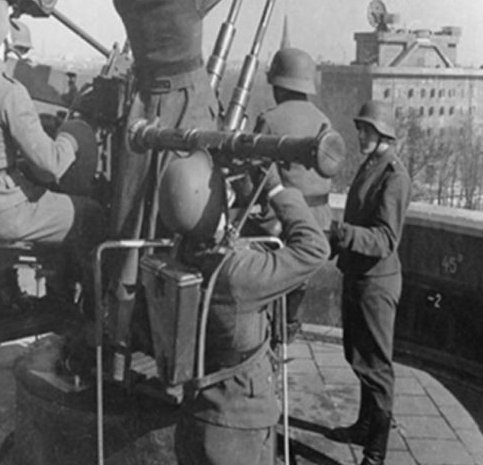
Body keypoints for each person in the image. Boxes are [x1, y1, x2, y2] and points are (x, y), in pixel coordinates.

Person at [108, 0, 255, 365]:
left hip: (142, 112)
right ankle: (193, 337)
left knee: (133, 225)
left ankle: (122, 339)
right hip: (189, 109)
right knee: (192, 220)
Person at [156, 151, 330, 465]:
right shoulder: (239, 275)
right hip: (239, 425)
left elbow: (213, 233)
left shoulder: (179, 253)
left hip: (197, 412)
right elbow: (315, 248)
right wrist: (276, 189)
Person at [0, 0, 106, 311]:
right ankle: (89, 314)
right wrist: (73, 133)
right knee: (91, 214)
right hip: (3, 215)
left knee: (56, 205)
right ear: (2, 38)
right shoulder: (9, 93)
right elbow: (51, 166)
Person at [326, 100, 412, 465]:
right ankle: (364, 426)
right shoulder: (372, 165)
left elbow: (384, 239)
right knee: (358, 357)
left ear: (383, 133)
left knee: (377, 370)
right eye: (360, 127)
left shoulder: (394, 175)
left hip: (377, 284)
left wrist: (342, 235)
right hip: (360, 278)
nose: (359, 133)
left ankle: (375, 454)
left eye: (366, 129)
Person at [252, 46, 335, 339]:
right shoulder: (324, 119)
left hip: (284, 222)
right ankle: (288, 326)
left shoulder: (271, 119)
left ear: (279, 85)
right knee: (296, 286)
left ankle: (268, 334)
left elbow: (259, 173)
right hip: (321, 224)